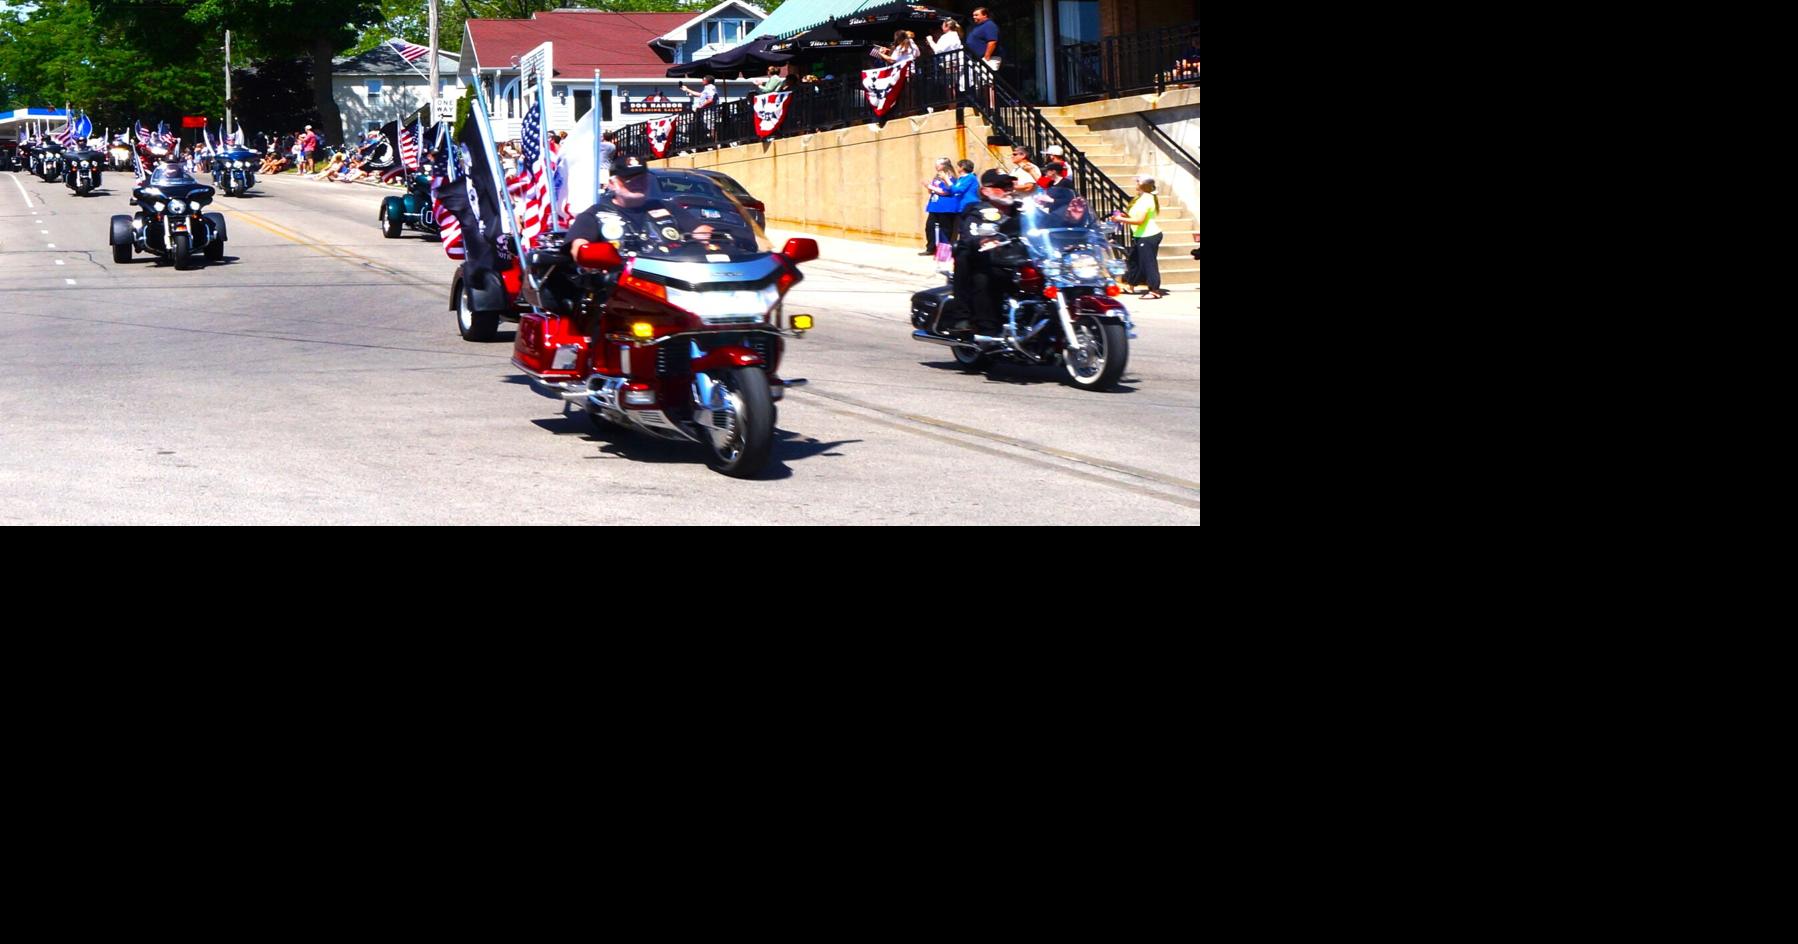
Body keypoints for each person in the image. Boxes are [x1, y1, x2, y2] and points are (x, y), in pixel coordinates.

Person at [948, 169, 1024, 334]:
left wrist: (1070, 218)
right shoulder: (977, 211)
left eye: (1010, 185)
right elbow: (970, 234)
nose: (1008, 189)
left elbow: (1047, 224)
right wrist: (983, 240)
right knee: (980, 273)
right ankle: (972, 321)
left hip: (1019, 262)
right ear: (985, 191)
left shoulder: (1022, 210)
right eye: (1002, 186)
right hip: (990, 262)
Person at [1112, 177, 1165, 299]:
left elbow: (1139, 221)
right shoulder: (1141, 198)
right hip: (1140, 235)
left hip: (1148, 235)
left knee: (1148, 263)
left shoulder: (1147, 200)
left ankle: (1154, 290)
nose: (1136, 183)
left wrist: (1120, 219)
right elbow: (1135, 217)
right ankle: (1130, 285)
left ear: (1144, 185)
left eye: (1138, 181)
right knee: (1134, 261)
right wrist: (1125, 216)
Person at [923, 157, 962, 256]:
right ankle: (930, 248)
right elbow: (932, 190)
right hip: (935, 206)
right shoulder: (937, 177)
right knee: (929, 227)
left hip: (946, 207)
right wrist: (929, 187)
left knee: (945, 230)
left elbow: (946, 191)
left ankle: (944, 251)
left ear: (945, 165)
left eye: (939, 164)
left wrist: (930, 186)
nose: (936, 166)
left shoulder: (950, 177)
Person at [967, 7, 1004, 107]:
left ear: (985, 15)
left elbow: (992, 41)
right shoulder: (978, 27)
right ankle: (987, 107)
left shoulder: (989, 25)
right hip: (979, 59)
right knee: (982, 84)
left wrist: (986, 56)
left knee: (988, 83)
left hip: (989, 58)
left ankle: (992, 108)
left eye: (976, 15)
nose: (974, 17)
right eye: (973, 15)